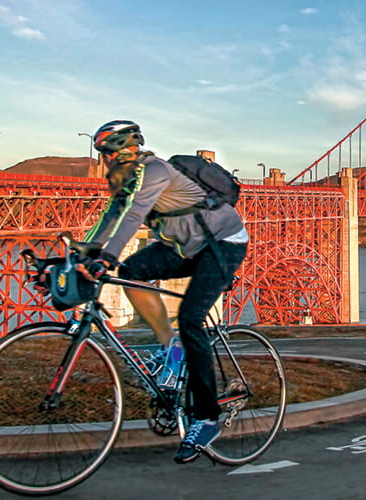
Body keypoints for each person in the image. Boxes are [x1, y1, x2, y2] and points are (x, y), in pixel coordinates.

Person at [77, 119, 249, 464]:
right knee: (132, 272)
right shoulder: (127, 179)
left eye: (108, 153)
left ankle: (207, 417)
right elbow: (115, 212)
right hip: (186, 246)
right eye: (101, 155)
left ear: (128, 149)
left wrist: (107, 257)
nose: (105, 160)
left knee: (191, 319)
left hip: (222, 244)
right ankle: (171, 347)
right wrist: (85, 251)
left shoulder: (154, 171)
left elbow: (135, 213)